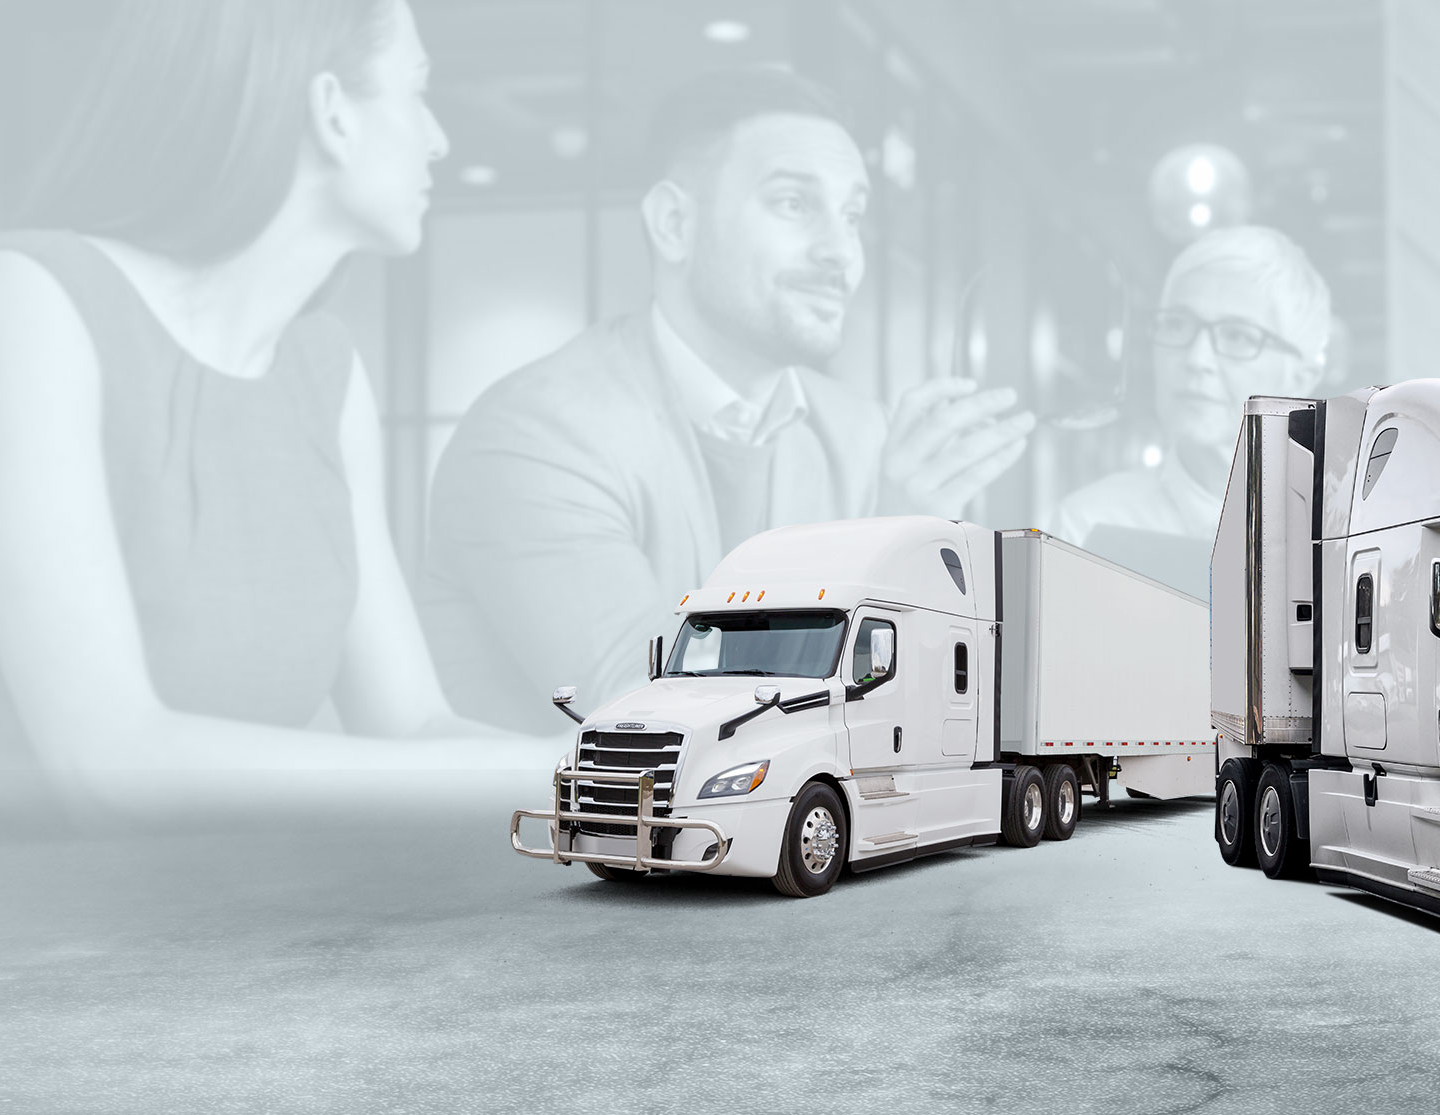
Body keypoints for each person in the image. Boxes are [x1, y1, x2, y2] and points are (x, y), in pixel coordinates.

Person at [0, 0, 551, 812]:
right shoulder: (25, 299)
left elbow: (410, 724)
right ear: (332, 112)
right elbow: (109, 759)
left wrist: (608, 771)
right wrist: (538, 775)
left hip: (206, 916)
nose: (439, 137)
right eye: (415, 90)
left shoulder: (326, 373)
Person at [421, 66, 1035, 734]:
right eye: (794, 204)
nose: (842, 253)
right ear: (675, 223)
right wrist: (885, 548)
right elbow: (647, 710)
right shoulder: (536, 435)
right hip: (570, 833)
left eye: (852, 215)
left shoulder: (859, 434)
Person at [1053, 225, 1331, 593]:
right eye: (1178, 325)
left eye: (1237, 335)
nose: (1196, 358)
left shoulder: (1347, 529)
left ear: (1300, 378)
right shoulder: (1088, 530)